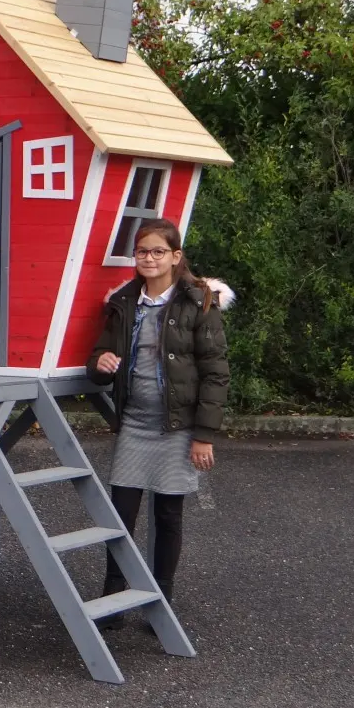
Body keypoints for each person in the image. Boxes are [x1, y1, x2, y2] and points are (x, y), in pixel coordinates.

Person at [85, 218, 233, 627]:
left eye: (158, 252)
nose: (149, 259)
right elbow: (97, 358)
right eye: (142, 252)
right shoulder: (124, 302)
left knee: (168, 515)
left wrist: (203, 435)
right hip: (134, 423)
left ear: (175, 256)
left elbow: (216, 373)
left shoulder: (198, 302)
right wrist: (100, 363)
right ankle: (114, 598)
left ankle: (160, 602)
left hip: (176, 427)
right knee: (120, 516)